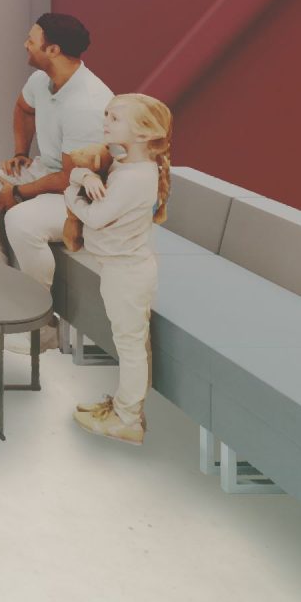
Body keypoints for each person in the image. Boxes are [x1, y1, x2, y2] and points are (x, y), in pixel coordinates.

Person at [0, 12, 113, 347]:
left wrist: (19, 192)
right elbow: (23, 108)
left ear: (52, 50)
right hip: (46, 170)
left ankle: (40, 326)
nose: (25, 44)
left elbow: (71, 178)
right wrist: (21, 150)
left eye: (31, 40)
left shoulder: (87, 103)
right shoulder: (43, 80)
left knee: (21, 221)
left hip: (84, 192)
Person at [61, 94, 173, 444]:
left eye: (115, 118)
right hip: (121, 269)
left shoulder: (133, 178)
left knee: (130, 346)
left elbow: (95, 216)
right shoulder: (127, 165)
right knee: (129, 342)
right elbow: (80, 168)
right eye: (106, 115)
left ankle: (128, 418)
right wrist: (83, 176)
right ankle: (125, 407)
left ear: (142, 133)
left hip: (127, 273)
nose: (106, 122)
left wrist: (72, 193)